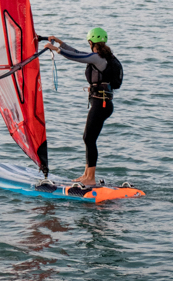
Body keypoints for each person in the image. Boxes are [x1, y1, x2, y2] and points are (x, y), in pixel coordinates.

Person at [44, 27, 122, 187]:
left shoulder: (98, 58)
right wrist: (61, 43)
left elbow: (77, 57)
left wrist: (57, 50)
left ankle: (90, 178)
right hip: (101, 103)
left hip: (101, 104)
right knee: (89, 138)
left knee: (89, 138)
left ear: (91, 42)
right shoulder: (102, 56)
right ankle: (87, 174)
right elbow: (79, 53)